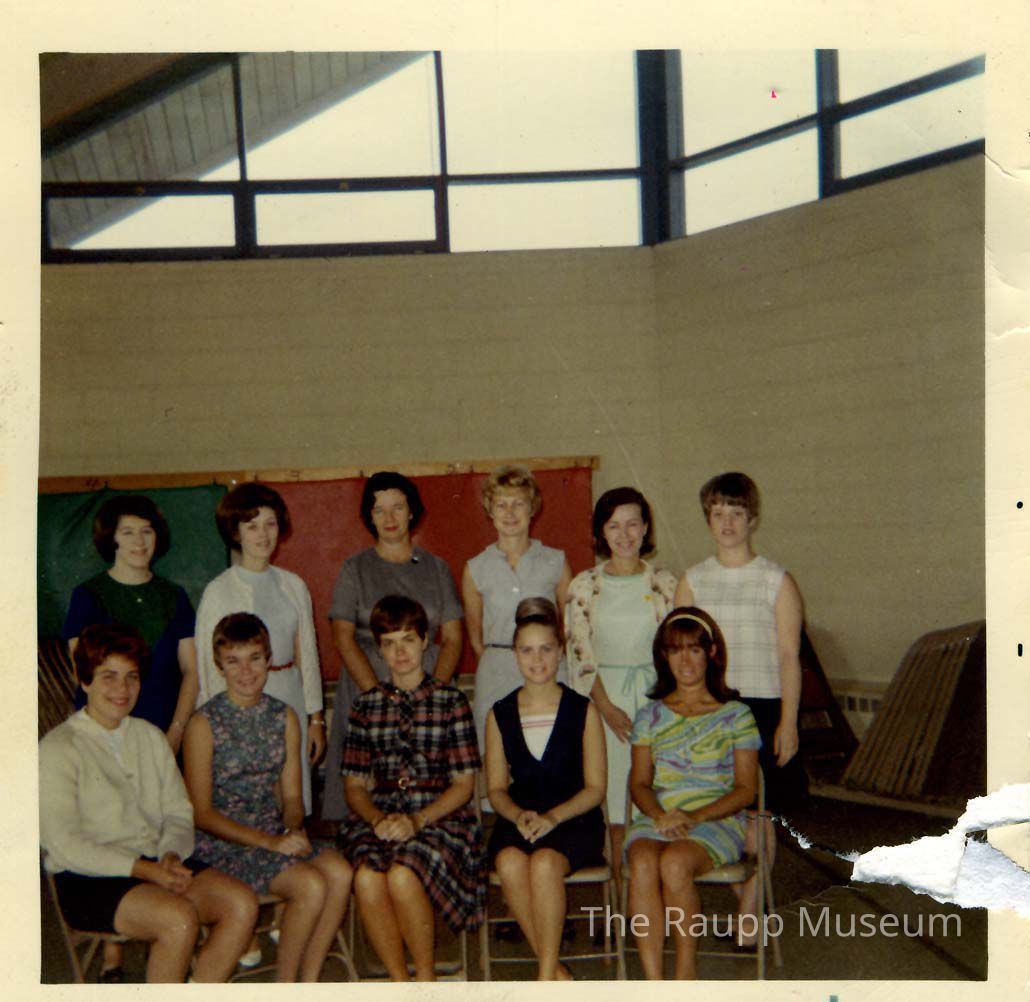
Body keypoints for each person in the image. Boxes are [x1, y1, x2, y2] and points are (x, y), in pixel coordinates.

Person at [39, 623, 257, 983]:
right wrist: (143, 869)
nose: (122, 689)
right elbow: (64, 844)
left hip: (157, 862)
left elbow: (177, 812)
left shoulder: (151, 737)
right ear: (85, 680)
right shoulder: (58, 748)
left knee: (241, 903)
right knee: (178, 919)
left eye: (132, 677)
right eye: (109, 676)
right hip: (89, 877)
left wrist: (170, 853)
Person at [183, 613, 352, 983]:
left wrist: (292, 828)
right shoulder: (203, 724)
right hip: (222, 845)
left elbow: (292, 797)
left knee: (339, 872)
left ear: (269, 659)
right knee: (310, 884)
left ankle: (308, 980)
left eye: (255, 658)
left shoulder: (284, 716)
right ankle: (285, 985)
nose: (246, 671)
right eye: (233, 661)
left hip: (271, 835)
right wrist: (271, 842)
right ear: (219, 666)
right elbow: (202, 814)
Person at [673, 471, 808, 935]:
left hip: (763, 710)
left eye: (736, 513)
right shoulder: (692, 581)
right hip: (708, 714)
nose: (727, 522)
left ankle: (749, 914)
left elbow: (789, 656)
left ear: (752, 519)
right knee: (713, 817)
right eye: (718, 513)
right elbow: (679, 657)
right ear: (707, 519)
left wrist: (788, 721)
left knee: (757, 821)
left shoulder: (776, 580)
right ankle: (746, 901)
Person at [338, 595, 484, 982]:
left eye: (407, 640)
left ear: (425, 642)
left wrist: (417, 821)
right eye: (389, 643)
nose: (399, 652)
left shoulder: (451, 701)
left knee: (403, 874)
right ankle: (400, 982)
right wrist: (377, 820)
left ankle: (426, 979)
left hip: (440, 818)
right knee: (367, 877)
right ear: (378, 649)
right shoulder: (366, 707)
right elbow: (354, 786)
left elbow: (464, 786)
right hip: (381, 819)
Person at [625, 607, 760, 980]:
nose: (684, 660)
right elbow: (639, 783)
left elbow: (746, 789)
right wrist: (660, 816)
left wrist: (694, 817)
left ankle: (685, 976)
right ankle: (654, 983)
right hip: (659, 817)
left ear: (711, 653)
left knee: (674, 863)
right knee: (642, 861)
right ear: (664, 656)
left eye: (694, 650)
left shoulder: (736, 715)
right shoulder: (649, 715)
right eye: (675, 650)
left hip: (716, 819)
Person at [322, 471, 464, 821]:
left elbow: (453, 637)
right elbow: (342, 636)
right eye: (379, 509)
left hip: (426, 682)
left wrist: (433, 695)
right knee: (366, 794)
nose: (389, 518)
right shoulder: (355, 569)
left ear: (411, 511)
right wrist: (378, 699)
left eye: (397, 507)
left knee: (428, 795)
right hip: (366, 684)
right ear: (369, 517)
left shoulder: (436, 568)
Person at [485, 598, 606, 981]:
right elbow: (495, 789)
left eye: (546, 649)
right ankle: (556, 973)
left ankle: (544, 978)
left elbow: (596, 788)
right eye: (527, 650)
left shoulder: (583, 710)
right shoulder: (499, 713)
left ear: (560, 651)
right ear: (515, 654)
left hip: (573, 818)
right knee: (508, 861)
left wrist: (554, 817)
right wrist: (517, 815)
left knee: (544, 864)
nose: (537, 659)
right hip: (521, 818)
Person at [564, 486, 677, 879]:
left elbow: (679, 653)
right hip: (604, 705)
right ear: (601, 531)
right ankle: (619, 901)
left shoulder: (665, 583)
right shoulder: (583, 585)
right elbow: (579, 655)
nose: (624, 534)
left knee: (658, 807)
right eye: (614, 525)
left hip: (658, 705)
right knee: (614, 812)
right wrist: (606, 708)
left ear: (645, 528)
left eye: (632, 524)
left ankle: (652, 896)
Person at [194, 482, 325, 816]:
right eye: (252, 526)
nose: (263, 535)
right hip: (240, 704)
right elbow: (209, 668)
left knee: (293, 798)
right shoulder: (218, 591)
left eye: (270, 524)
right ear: (235, 532)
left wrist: (315, 719)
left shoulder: (293, 584)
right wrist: (222, 726)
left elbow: (307, 654)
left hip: (289, 698)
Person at [63, 494, 198, 752]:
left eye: (147, 531)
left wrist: (176, 732)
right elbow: (83, 674)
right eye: (127, 532)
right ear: (111, 538)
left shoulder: (174, 596)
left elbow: (191, 670)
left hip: (165, 730)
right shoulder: (87, 595)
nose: (139, 541)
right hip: (104, 733)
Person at [462, 464, 572, 749]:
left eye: (518, 503)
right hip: (497, 672)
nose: (510, 513)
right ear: (490, 510)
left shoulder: (556, 562)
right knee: (497, 753)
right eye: (501, 504)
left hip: (548, 669)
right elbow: (476, 640)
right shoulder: (475, 569)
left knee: (555, 751)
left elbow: (571, 627)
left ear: (532, 508)